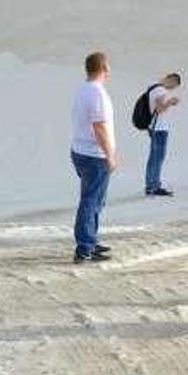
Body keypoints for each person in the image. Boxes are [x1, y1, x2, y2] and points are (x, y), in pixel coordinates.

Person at [70, 52, 118, 264]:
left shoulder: (83, 90)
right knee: (90, 201)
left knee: (96, 200)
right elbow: (99, 127)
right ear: (104, 68)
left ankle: (91, 240)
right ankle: (84, 247)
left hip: (81, 151)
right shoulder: (97, 93)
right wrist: (110, 155)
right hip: (93, 155)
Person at [144, 73, 182, 197]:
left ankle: (151, 185)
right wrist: (171, 102)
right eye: (173, 85)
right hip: (159, 129)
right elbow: (160, 109)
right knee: (157, 157)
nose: (172, 88)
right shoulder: (160, 90)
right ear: (171, 80)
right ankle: (154, 186)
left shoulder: (152, 87)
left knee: (153, 157)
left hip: (153, 127)